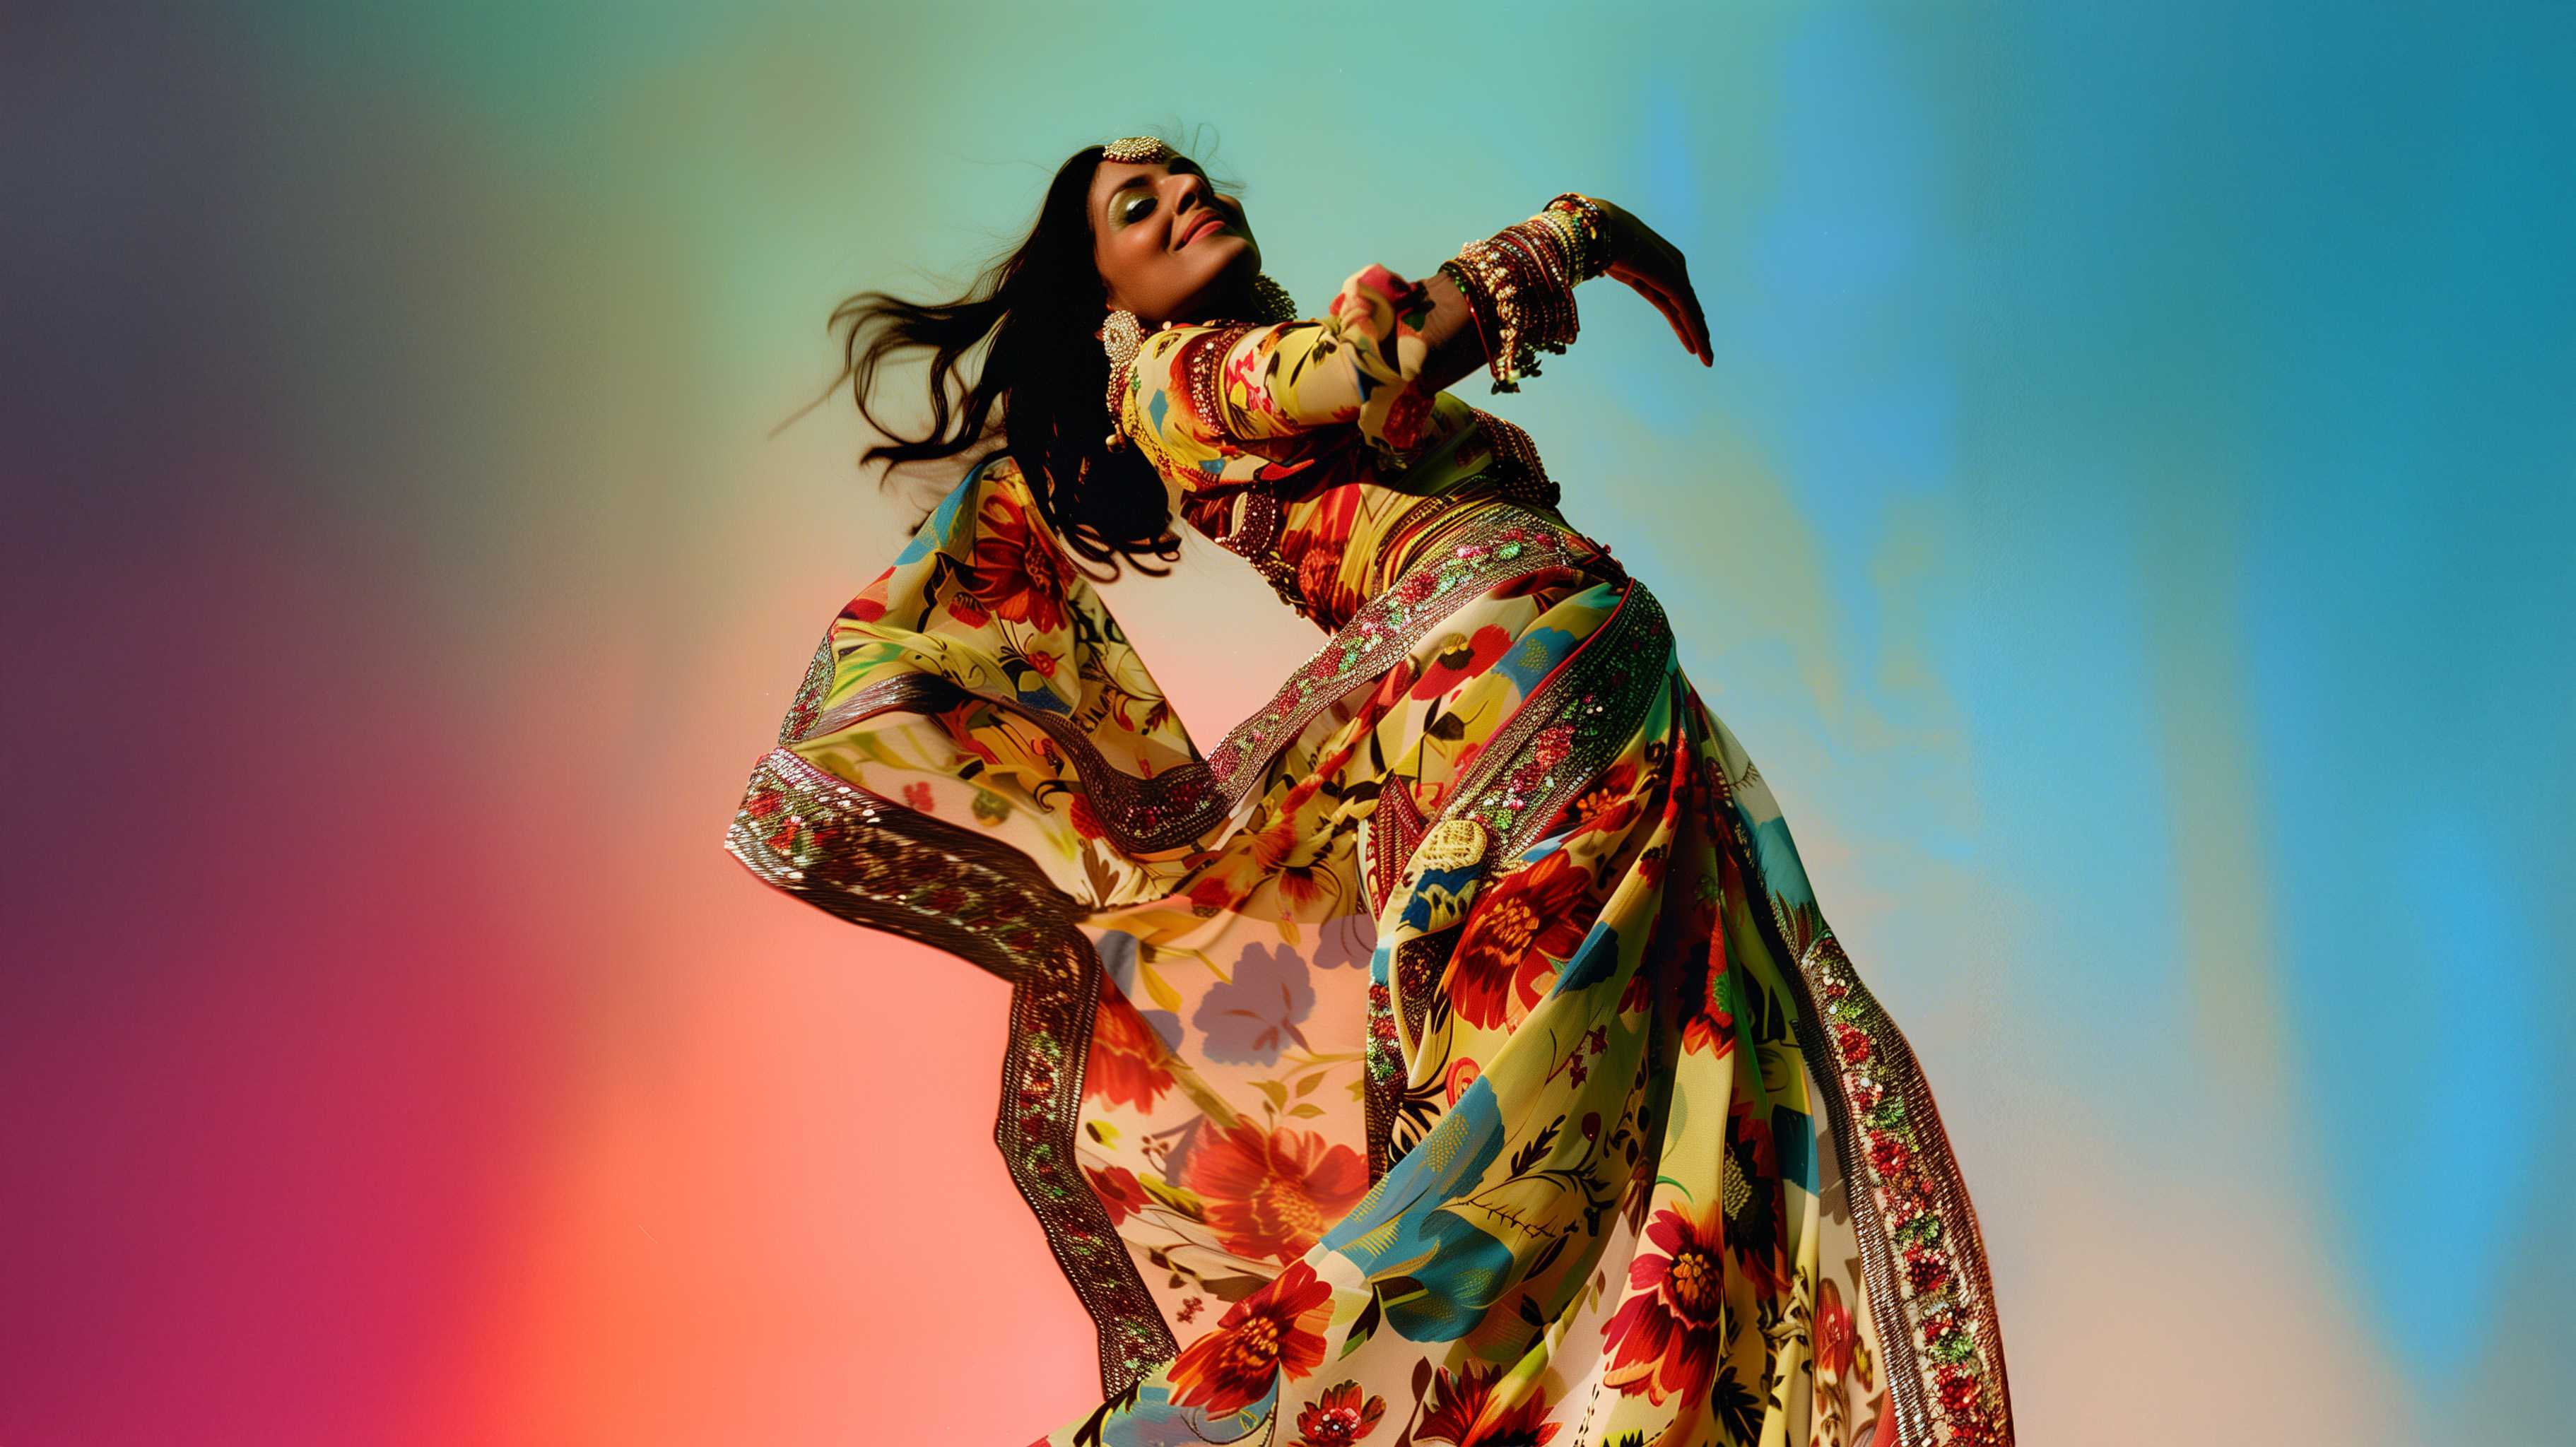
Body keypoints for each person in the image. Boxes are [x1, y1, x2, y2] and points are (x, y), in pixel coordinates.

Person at [724, 134, 2013, 1447]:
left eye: (1188, 180)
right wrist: (1585, 230)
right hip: (1514, 714)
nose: (1185, 198)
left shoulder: (1257, 377)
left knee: (1622, 1140)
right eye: (1138, 206)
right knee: (1530, 1153)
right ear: (1105, 295)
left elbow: (1363, 375)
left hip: (1550, 705)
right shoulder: (1184, 374)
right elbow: (1386, 354)